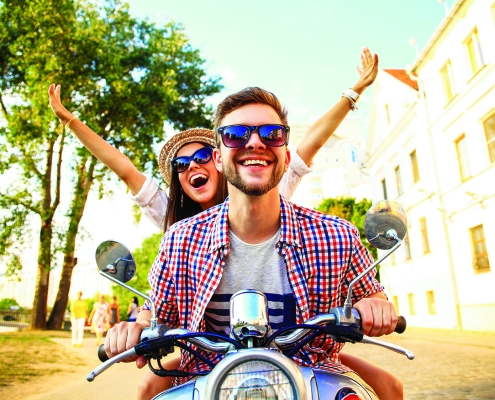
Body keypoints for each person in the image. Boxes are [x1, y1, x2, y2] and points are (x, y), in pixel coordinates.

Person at [105, 87, 404, 400]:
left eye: (272, 133)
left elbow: (372, 294)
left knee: (385, 389)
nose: (255, 142)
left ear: (286, 156)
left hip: (310, 376)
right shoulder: (180, 240)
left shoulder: (336, 235)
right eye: (235, 134)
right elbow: (156, 313)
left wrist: (375, 305)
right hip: (209, 381)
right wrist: (133, 330)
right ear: (219, 158)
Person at [48, 47, 379, 231]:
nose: (192, 164)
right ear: (179, 179)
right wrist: (72, 122)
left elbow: (311, 144)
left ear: (221, 160)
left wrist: (355, 91)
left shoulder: (261, 189)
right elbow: (124, 169)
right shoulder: (175, 223)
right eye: (182, 163)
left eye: (202, 156)